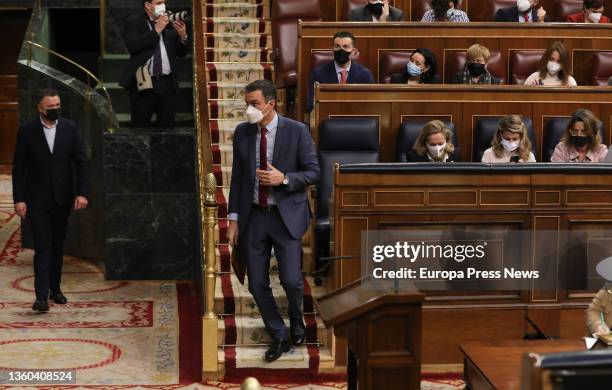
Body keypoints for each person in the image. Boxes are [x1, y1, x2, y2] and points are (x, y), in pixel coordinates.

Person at [227, 80, 320, 362]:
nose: (248, 109)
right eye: (246, 103)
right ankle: (278, 332)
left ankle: (296, 319)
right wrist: (233, 219)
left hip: (285, 216)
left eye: (253, 103)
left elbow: (314, 172)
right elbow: (238, 178)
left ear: (270, 104)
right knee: (256, 283)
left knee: (292, 281)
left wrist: (285, 179)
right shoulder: (242, 132)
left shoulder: (297, 131)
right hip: (254, 215)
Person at [12, 89, 89, 312]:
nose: (55, 109)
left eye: (57, 105)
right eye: (50, 106)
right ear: (40, 108)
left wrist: (82, 193)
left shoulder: (69, 128)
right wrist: (19, 199)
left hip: (62, 198)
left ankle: (55, 290)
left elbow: (82, 162)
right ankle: (41, 297)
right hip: (36, 200)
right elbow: (19, 169)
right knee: (43, 247)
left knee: (57, 247)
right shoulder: (27, 131)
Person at [120, 0, 189, 127]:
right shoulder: (134, 22)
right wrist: (156, 31)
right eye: (159, 2)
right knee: (140, 129)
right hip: (144, 85)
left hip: (167, 84)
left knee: (167, 131)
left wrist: (183, 36)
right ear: (147, 5)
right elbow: (133, 46)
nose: (163, 5)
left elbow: (181, 53)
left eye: (164, 2)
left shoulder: (169, 20)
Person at [307, 31, 375, 112]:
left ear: (353, 51)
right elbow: (311, 105)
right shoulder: (318, 73)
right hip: (329, 118)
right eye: (337, 46)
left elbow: (371, 105)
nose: (341, 50)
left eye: (345, 47)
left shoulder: (365, 74)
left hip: (356, 118)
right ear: (332, 49)